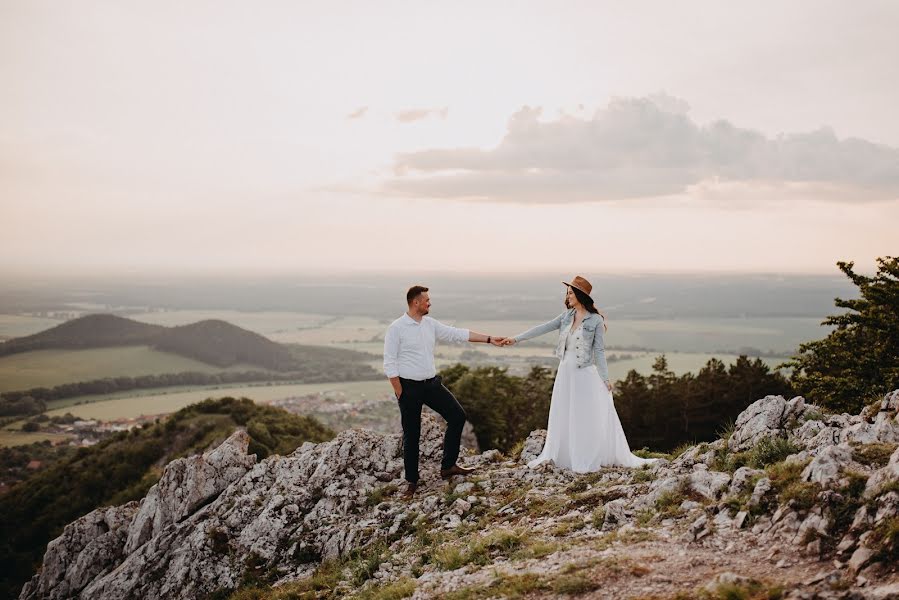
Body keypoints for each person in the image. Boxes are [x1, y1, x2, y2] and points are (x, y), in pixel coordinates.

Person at [502, 275, 659, 472]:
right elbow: (541, 328)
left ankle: (585, 454)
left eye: (570, 293)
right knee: (564, 411)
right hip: (565, 372)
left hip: (584, 374)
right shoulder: (566, 317)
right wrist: (515, 339)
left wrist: (605, 378)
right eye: (567, 293)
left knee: (583, 415)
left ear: (580, 295)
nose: (567, 297)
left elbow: (599, 352)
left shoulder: (595, 321)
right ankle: (564, 455)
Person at [384, 285, 506, 499]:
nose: (429, 303)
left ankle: (448, 465)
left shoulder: (430, 324)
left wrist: (489, 339)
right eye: (427, 300)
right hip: (408, 388)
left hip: (431, 385)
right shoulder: (397, 328)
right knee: (412, 434)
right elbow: (389, 362)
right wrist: (400, 392)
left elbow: (456, 333)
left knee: (457, 416)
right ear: (416, 302)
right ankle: (411, 482)